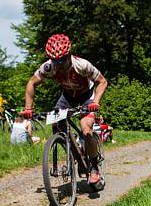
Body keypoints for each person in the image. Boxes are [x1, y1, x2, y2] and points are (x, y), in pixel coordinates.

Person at [23, 34, 108, 185]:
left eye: (61, 60)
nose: (58, 64)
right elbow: (31, 83)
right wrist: (28, 108)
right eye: (55, 60)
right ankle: (72, 148)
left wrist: (95, 101)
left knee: (86, 128)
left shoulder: (82, 65)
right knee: (56, 125)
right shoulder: (49, 67)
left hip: (86, 96)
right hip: (67, 97)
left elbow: (102, 82)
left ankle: (94, 165)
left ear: (68, 54)